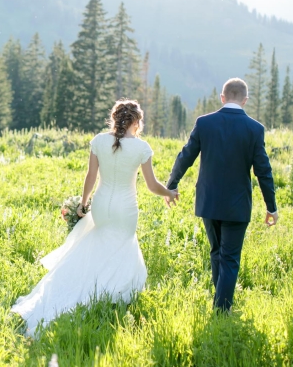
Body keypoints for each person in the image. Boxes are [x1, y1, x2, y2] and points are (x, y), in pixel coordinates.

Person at [11, 100, 178, 335]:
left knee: (99, 245)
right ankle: (110, 296)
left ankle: (87, 288)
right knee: (122, 248)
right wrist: (169, 193)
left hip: (101, 205)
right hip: (125, 209)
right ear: (137, 121)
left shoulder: (99, 141)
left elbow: (91, 176)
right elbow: (152, 185)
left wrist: (83, 203)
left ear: (115, 118)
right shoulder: (141, 148)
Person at [166, 78, 278, 312]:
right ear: (245, 100)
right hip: (237, 206)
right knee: (229, 258)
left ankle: (220, 305)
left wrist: (172, 185)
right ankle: (222, 310)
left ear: (222, 97)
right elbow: (263, 171)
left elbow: (185, 156)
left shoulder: (204, 123)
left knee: (217, 252)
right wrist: (271, 207)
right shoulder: (255, 129)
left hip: (209, 202)